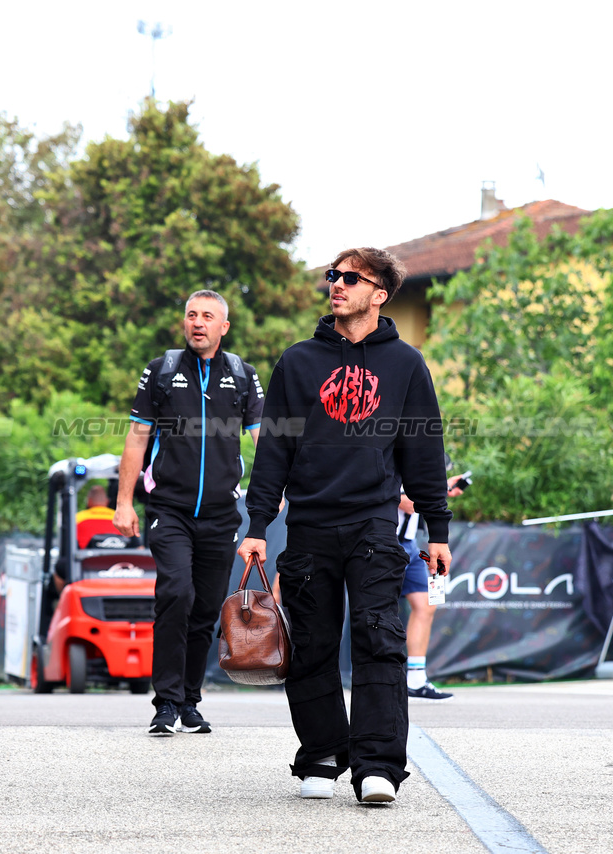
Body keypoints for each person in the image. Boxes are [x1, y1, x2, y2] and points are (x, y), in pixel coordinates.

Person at [238, 247, 452, 805]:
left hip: (375, 524)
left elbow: (423, 453)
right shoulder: (298, 362)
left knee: (379, 640)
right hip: (308, 525)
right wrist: (257, 523)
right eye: (332, 275)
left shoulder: (406, 364)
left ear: (378, 293)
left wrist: (438, 530)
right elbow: (275, 452)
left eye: (350, 278)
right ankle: (322, 757)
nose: (336, 284)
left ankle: (378, 765)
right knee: (310, 645)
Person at [114, 290, 264, 736]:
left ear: (224, 327)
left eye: (208, 316)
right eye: (191, 315)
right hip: (170, 508)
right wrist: (124, 501)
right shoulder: (160, 371)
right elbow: (137, 439)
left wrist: (275, 491)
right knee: (176, 593)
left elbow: (264, 440)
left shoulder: (243, 375)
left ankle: (190, 702)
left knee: (204, 611)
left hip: (221, 513)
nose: (198, 322)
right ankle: (165, 704)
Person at [398, 476, 463, 701]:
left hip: (410, 545)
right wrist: (437, 491)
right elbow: (406, 503)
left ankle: (416, 680)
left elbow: (417, 501)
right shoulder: (391, 459)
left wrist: (440, 489)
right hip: (384, 541)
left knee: (426, 606)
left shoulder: (416, 473)